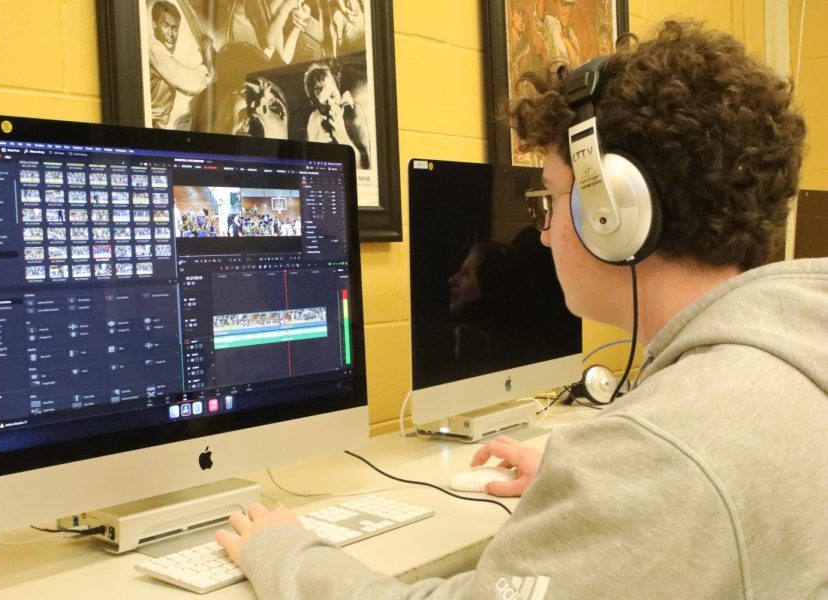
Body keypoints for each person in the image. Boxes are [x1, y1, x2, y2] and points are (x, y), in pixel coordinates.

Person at [214, 20, 828, 598]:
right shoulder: (794, 357)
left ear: (614, 214)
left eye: (552, 201)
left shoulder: (665, 452)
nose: (543, 232)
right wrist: (592, 500)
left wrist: (286, 551)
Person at [148, 1, 213, 128]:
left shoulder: (158, 50)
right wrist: (207, 60)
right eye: (165, 26)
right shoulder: (153, 49)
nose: (171, 34)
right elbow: (189, 83)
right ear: (154, 24)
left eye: (174, 28)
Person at [303, 62, 371, 168]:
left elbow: (366, 167)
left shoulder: (353, 111)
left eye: (332, 95)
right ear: (315, 105)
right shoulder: (314, 119)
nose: (331, 104)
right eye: (324, 105)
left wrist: (342, 136)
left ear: (337, 87)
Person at [532, 0, 581, 67]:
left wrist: (566, 40)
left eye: (567, 5)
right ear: (556, 5)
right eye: (561, 5)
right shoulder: (551, 24)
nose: (564, 11)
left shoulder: (573, 35)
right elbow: (539, 17)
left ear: (570, 8)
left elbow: (576, 62)